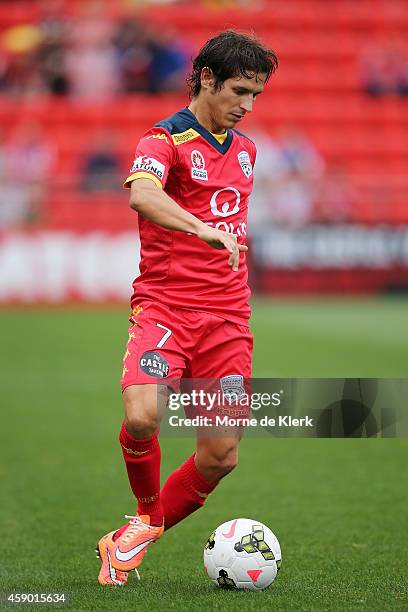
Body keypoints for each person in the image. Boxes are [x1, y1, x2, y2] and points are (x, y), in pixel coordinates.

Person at [96, 29, 278, 587]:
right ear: (206, 78)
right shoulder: (165, 141)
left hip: (227, 320)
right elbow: (142, 195)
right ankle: (146, 517)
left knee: (221, 456)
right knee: (142, 415)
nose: (247, 106)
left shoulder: (246, 150)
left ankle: (132, 535)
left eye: (256, 96)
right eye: (240, 92)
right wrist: (202, 229)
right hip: (166, 310)